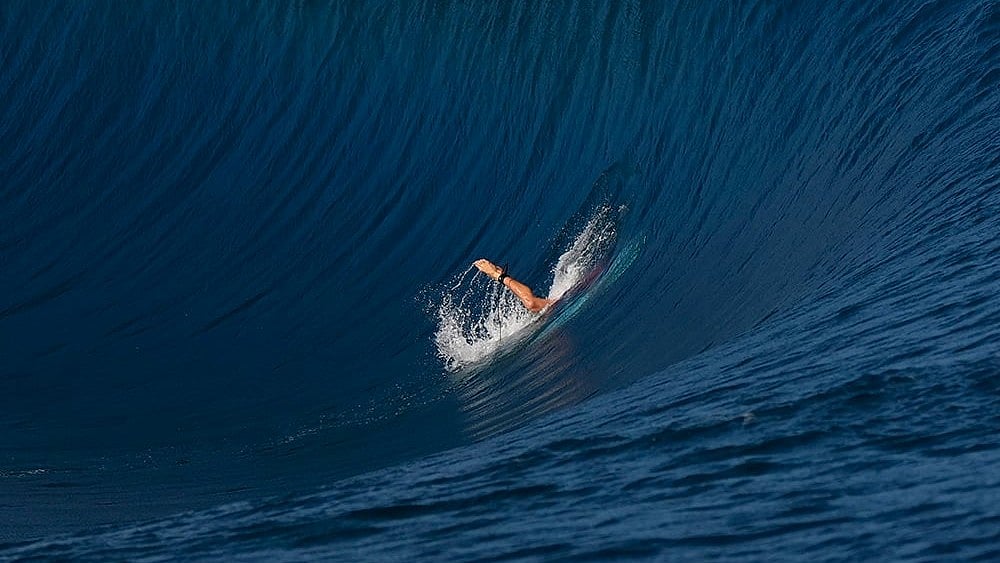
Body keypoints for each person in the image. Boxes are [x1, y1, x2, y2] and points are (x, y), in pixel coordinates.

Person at [474, 258, 555, 313]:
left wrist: (498, 276)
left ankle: (500, 275)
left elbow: (531, 303)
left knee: (532, 304)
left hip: (551, 311)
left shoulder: (555, 304)